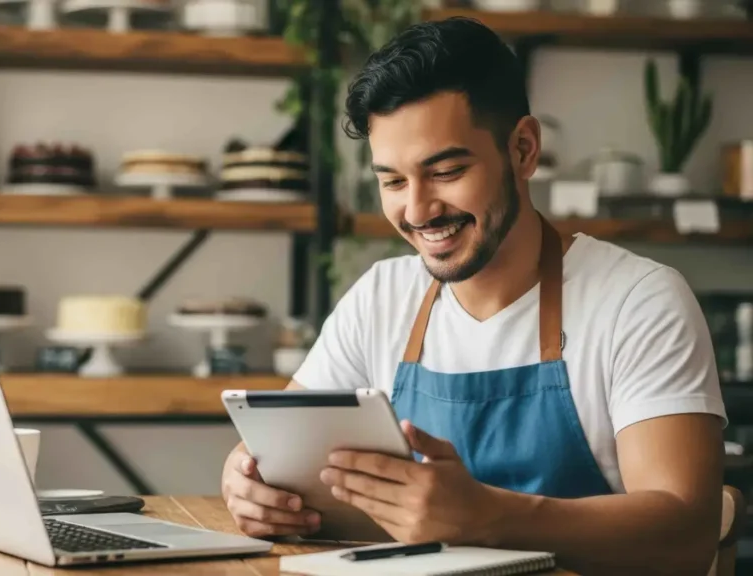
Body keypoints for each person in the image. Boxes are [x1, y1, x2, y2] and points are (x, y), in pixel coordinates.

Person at [220, 17, 727, 575]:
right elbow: (284, 455)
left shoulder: (638, 301)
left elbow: (686, 532)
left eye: (446, 171)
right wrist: (250, 480)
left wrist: (487, 516)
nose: (416, 210)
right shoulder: (381, 298)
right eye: (392, 181)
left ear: (524, 150)